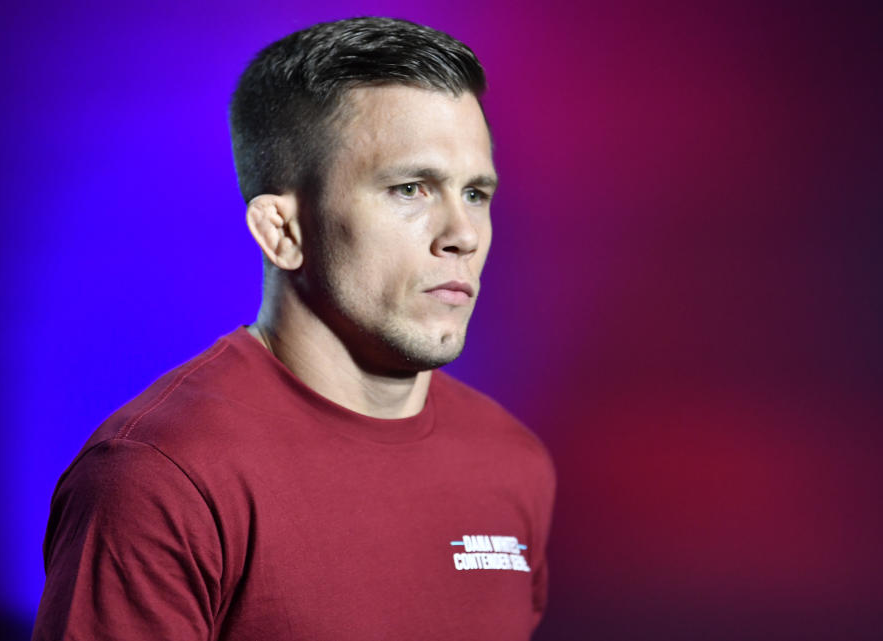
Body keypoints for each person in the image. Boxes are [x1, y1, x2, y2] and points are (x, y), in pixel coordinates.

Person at [32, 17, 555, 641]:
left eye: (475, 193)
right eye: (410, 188)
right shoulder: (159, 478)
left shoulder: (514, 461)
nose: (463, 236)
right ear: (282, 231)